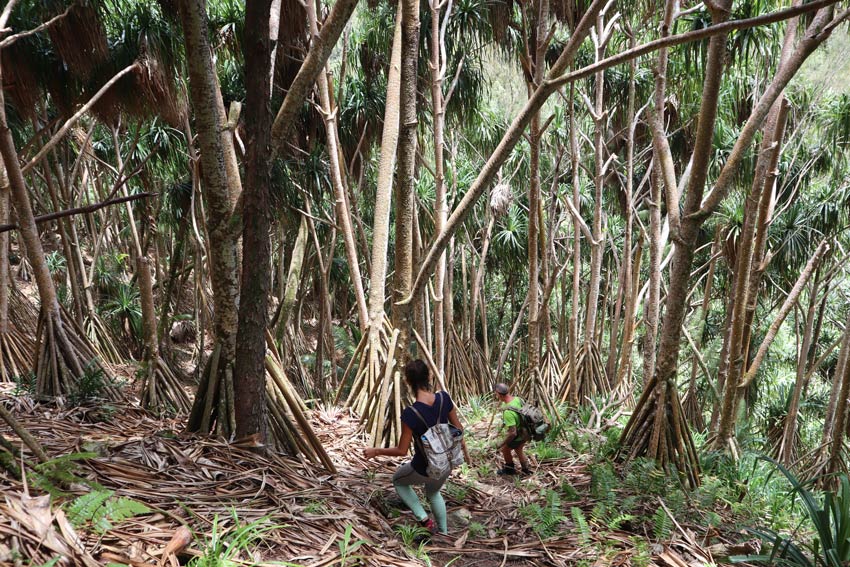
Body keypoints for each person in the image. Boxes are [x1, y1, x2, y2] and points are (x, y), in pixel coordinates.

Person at [363, 359, 465, 536]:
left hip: (424, 467)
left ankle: (424, 519)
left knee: (398, 481)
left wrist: (376, 451)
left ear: (407, 382)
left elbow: (401, 450)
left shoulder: (411, 413)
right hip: (447, 463)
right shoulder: (444, 398)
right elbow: (459, 429)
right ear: (429, 375)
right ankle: (444, 533)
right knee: (433, 493)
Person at [494, 382, 531, 476]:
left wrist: (502, 443)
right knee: (519, 449)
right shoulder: (518, 399)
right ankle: (526, 470)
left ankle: (509, 470)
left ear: (498, 393)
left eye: (496, 393)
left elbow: (512, 433)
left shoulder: (508, 412)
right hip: (527, 431)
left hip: (519, 434)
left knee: (505, 450)